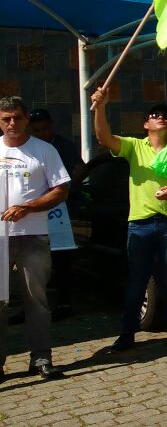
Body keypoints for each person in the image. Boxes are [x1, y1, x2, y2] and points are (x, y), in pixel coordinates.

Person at [91, 88, 167, 351]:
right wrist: (100, 107)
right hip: (140, 224)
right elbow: (103, 137)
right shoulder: (134, 147)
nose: (160, 117)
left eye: (165, 115)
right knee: (137, 282)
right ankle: (127, 334)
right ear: (146, 124)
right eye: (155, 115)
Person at [0, 96, 70, 381]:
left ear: (26, 117)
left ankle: (41, 359)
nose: (12, 123)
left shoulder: (44, 150)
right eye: (6, 118)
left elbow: (60, 190)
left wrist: (27, 207)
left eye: (17, 117)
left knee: (36, 301)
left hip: (33, 235)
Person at [29, 108, 84, 319]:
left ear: (51, 126)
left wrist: (68, 189)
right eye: (36, 130)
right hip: (35, 210)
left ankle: (63, 303)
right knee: (34, 259)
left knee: (61, 258)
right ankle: (31, 306)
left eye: (44, 129)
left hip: (60, 210)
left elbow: (79, 170)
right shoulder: (28, 147)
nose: (41, 134)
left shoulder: (62, 146)